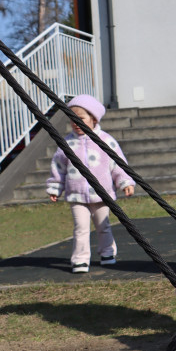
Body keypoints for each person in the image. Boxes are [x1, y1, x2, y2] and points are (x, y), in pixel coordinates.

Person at [46, 94, 135, 273]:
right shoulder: (67, 143)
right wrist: (55, 187)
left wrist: (125, 182)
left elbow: (117, 164)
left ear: (94, 119)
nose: (76, 123)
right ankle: (80, 260)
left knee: (103, 226)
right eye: (72, 119)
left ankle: (107, 253)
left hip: (102, 195)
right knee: (81, 228)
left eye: (81, 119)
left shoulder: (106, 141)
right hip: (77, 195)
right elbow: (58, 167)